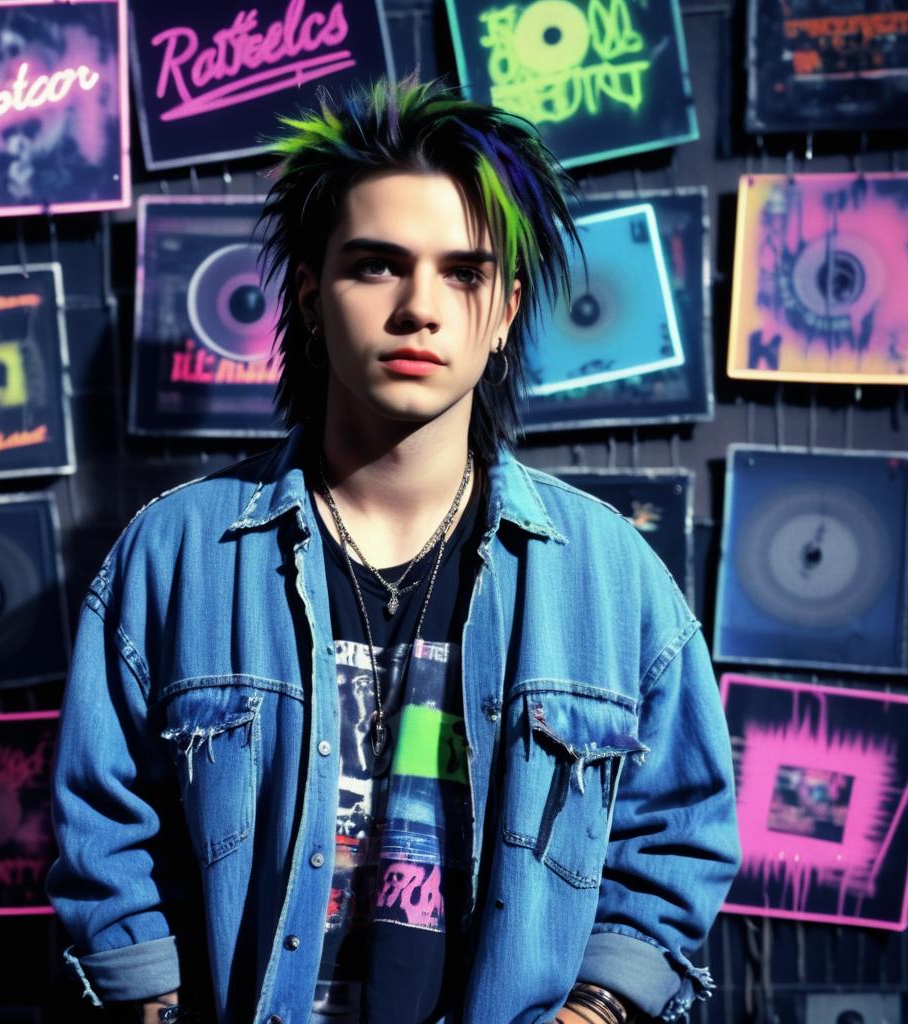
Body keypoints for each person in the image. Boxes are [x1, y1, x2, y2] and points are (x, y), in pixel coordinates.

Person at [47, 77, 741, 1024]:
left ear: (503, 315)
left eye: (464, 272)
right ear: (306, 291)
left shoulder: (613, 579)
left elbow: (677, 837)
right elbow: (101, 828)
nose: (420, 307)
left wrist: (594, 1013)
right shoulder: (176, 556)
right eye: (376, 265)